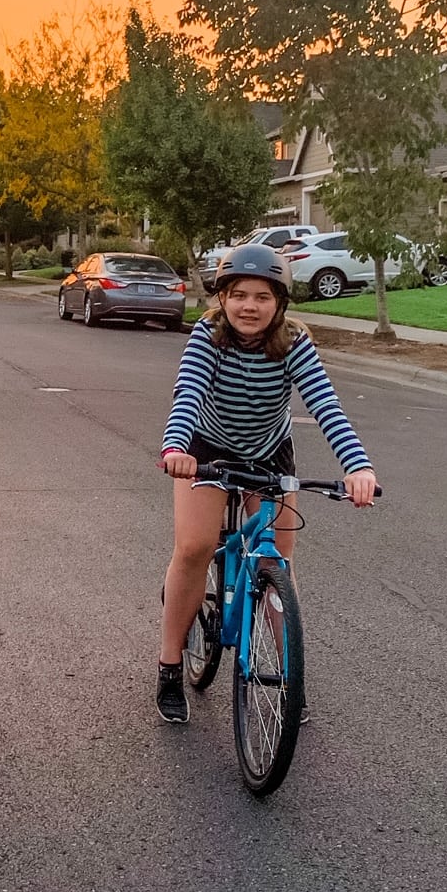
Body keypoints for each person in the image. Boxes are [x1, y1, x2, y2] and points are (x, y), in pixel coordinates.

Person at [156, 244, 378, 725]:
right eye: (238, 295)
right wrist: (176, 449)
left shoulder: (294, 343)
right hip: (206, 448)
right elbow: (188, 394)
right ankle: (170, 664)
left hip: (269, 452)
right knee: (194, 548)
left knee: (279, 559)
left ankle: (288, 675)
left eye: (261, 296)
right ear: (222, 298)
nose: (249, 306)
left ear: (280, 302)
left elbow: (326, 406)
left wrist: (357, 466)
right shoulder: (207, 336)